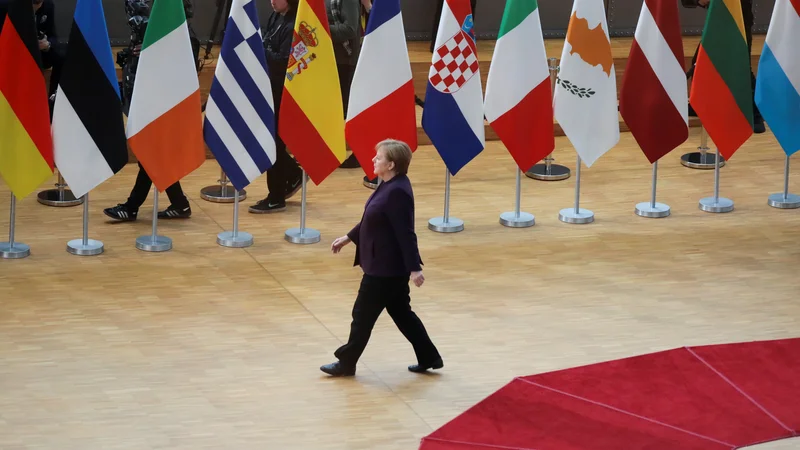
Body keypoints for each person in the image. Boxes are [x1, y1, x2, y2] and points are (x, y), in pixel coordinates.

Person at [321, 139, 443, 377]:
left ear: (392, 164)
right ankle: (430, 356)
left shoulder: (398, 192)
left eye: (379, 158)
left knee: (362, 317)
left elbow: (405, 233)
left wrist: (414, 268)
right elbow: (373, 219)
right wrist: (348, 237)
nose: (373, 160)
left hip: (385, 270)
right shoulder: (389, 184)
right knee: (402, 314)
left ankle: (347, 363)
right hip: (387, 267)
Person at [104, 0, 200, 221]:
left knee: (150, 148)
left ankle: (132, 206)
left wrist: (152, 47)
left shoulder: (178, 23)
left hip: (162, 93)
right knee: (152, 150)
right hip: (142, 84)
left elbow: (179, 59)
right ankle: (179, 203)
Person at [249, 0, 303, 213]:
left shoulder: (292, 25)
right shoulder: (275, 17)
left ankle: (276, 197)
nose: (272, 1)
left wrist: (260, 49)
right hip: (268, 89)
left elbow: (283, 61)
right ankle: (292, 174)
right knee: (270, 141)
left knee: (275, 143)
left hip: (282, 92)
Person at [686, 0, 764, 133]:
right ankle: (700, 103)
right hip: (715, 16)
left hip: (739, 17)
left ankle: (756, 114)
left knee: (742, 65)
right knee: (701, 60)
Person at [0, 0, 65, 104]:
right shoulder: (6, 5)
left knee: (61, 56)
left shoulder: (48, 6)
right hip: (12, 50)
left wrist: (47, 44)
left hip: (38, 51)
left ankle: (52, 100)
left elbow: (53, 36)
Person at [325, 0, 362, 169]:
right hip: (329, 59)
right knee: (333, 109)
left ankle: (360, 153)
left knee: (347, 109)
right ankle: (327, 151)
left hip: (345, 61)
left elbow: (350, 29)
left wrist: (320, 27)